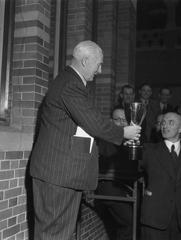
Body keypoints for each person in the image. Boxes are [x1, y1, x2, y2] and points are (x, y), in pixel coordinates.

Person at [29, 40, 141, 240]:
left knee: (58, 233)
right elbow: (93, 122)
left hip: (63, 174)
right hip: (58, 175)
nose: (99, 70)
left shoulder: (69, 82)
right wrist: (124, 132)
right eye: (98, 64)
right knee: (54, 234)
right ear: (85, 60)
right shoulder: (70, 84)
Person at [140, 112, 181, 240]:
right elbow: (132, 168)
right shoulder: (148, 150)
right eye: (163, 123)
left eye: (171, 122)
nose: (165, 126)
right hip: (155, 221)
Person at [97, 107, 138, 240]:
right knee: (129, 222)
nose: (121, 123)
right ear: (111, 121)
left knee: (134, 221)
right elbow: (107, 160)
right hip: (108, 187)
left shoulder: (130, 141)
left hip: (125, 186)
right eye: (117, 120)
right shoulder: (105, 138)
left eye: (124, 120)